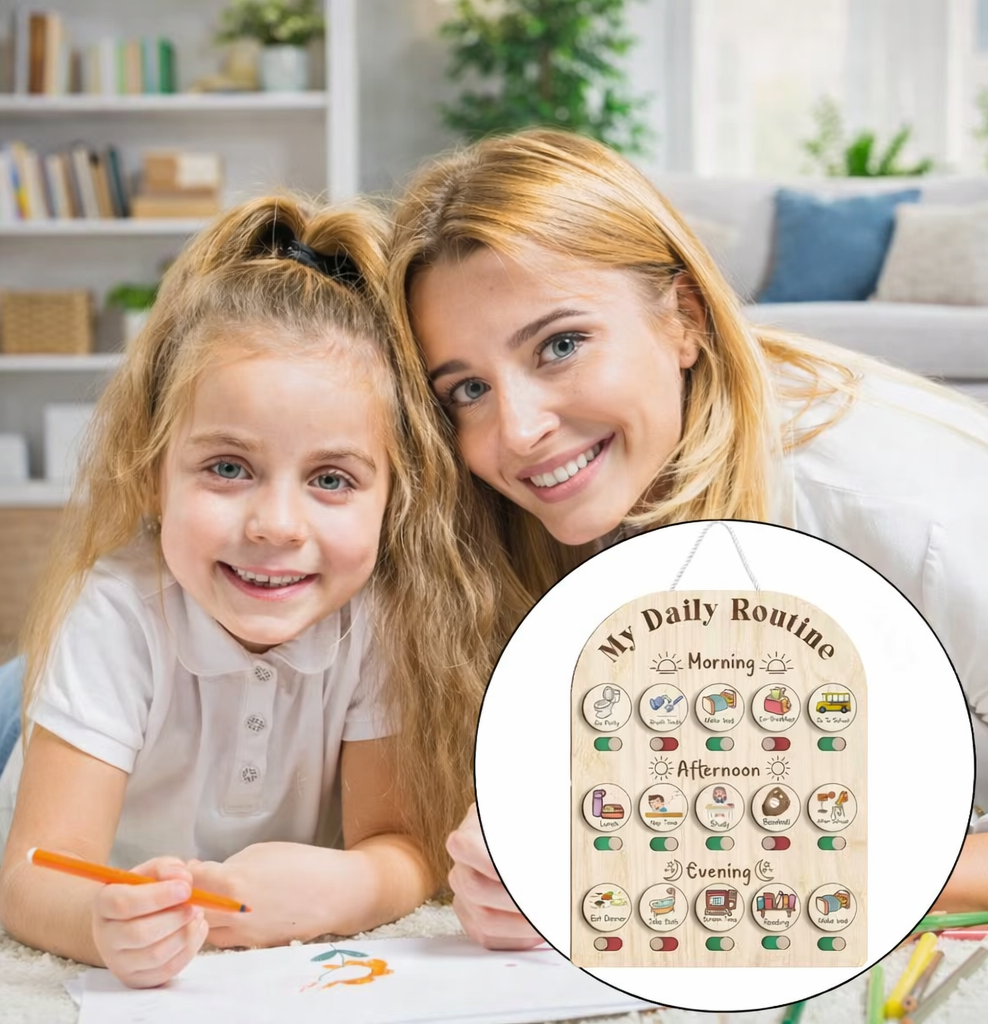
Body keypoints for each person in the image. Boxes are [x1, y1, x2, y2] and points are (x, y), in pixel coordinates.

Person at [386, 127, 988, 943]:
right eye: (466, 389)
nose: (518, 431)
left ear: (684, 320)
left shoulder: (913, 519)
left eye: (560, 346)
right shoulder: (597, 504)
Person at [0, 193, 512, 987]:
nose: (276, 525)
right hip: (13, 752)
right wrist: (100, 923)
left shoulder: (378, 621)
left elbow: (402, 846)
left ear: (395, 496)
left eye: (331, 478)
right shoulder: (114, 613)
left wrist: (351, 883)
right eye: (228, 468)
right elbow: (31, 880)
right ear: (152, 472)